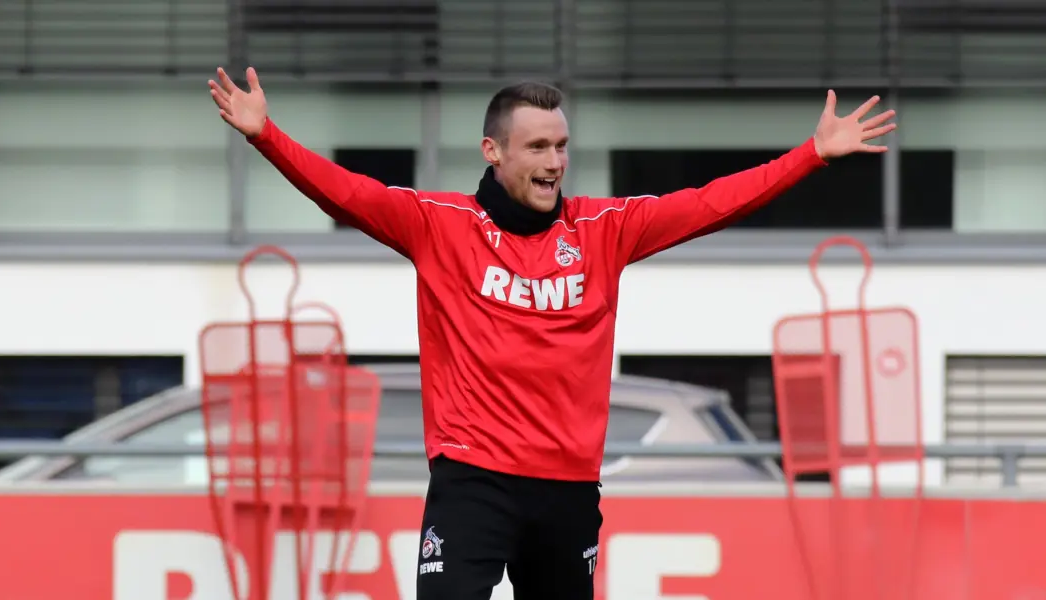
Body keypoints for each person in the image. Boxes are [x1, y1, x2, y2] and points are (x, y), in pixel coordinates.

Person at [208, 67, 896, 599]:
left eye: (561, 146)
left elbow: (708, 203)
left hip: (567, 488)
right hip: (472, 478)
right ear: (493, 150)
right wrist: (267, 136)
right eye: (537, 146)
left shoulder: (604, 229)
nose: (554, 161)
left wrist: (810, 154)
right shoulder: (436, 224)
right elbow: (347, 191)